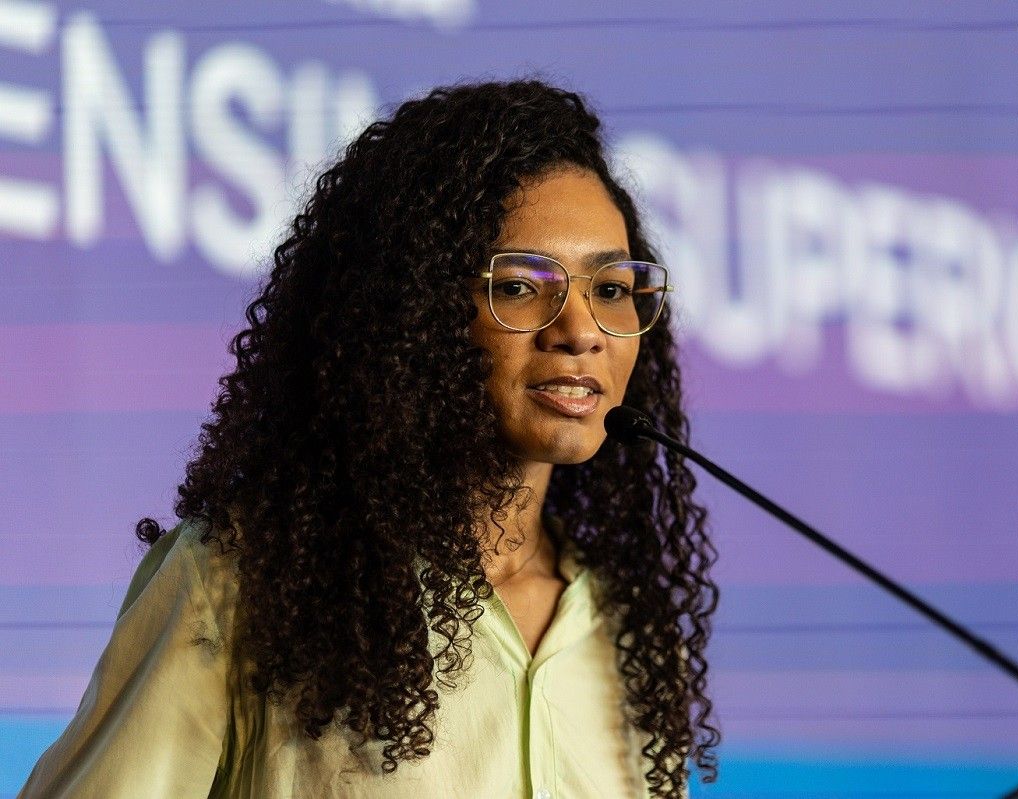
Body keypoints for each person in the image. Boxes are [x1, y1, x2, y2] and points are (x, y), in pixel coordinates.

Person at [18, 77, 720, 799]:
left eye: (610, 289)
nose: (579, 331)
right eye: (518, 285)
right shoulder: (243, 586)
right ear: (414, 313)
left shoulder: (632, 636)